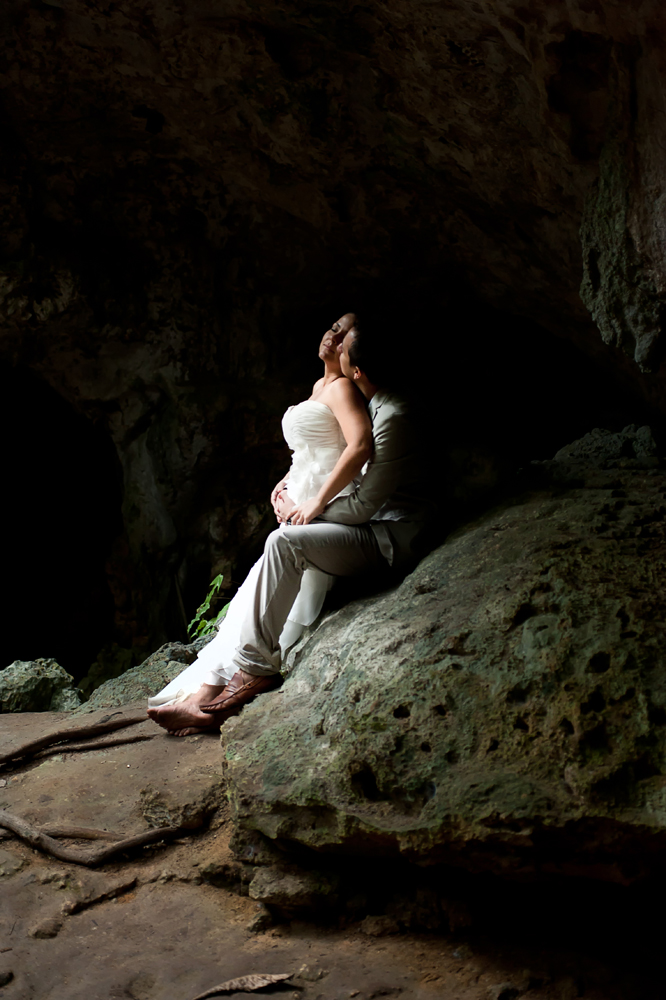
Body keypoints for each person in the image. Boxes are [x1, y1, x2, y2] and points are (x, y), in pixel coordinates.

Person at [148, 317, 433, 735]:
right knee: (271, 561)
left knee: (285, 543)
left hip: (391, 535)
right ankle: (205, 694)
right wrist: (289, 485)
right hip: (364, 517)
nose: (334, 340)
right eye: (335, 329)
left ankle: (254, 671)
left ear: (357, 370)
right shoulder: (368, 397)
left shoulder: (390, 414)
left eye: (344, 341)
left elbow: (363, 497)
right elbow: (323, 455)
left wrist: (306, 510)